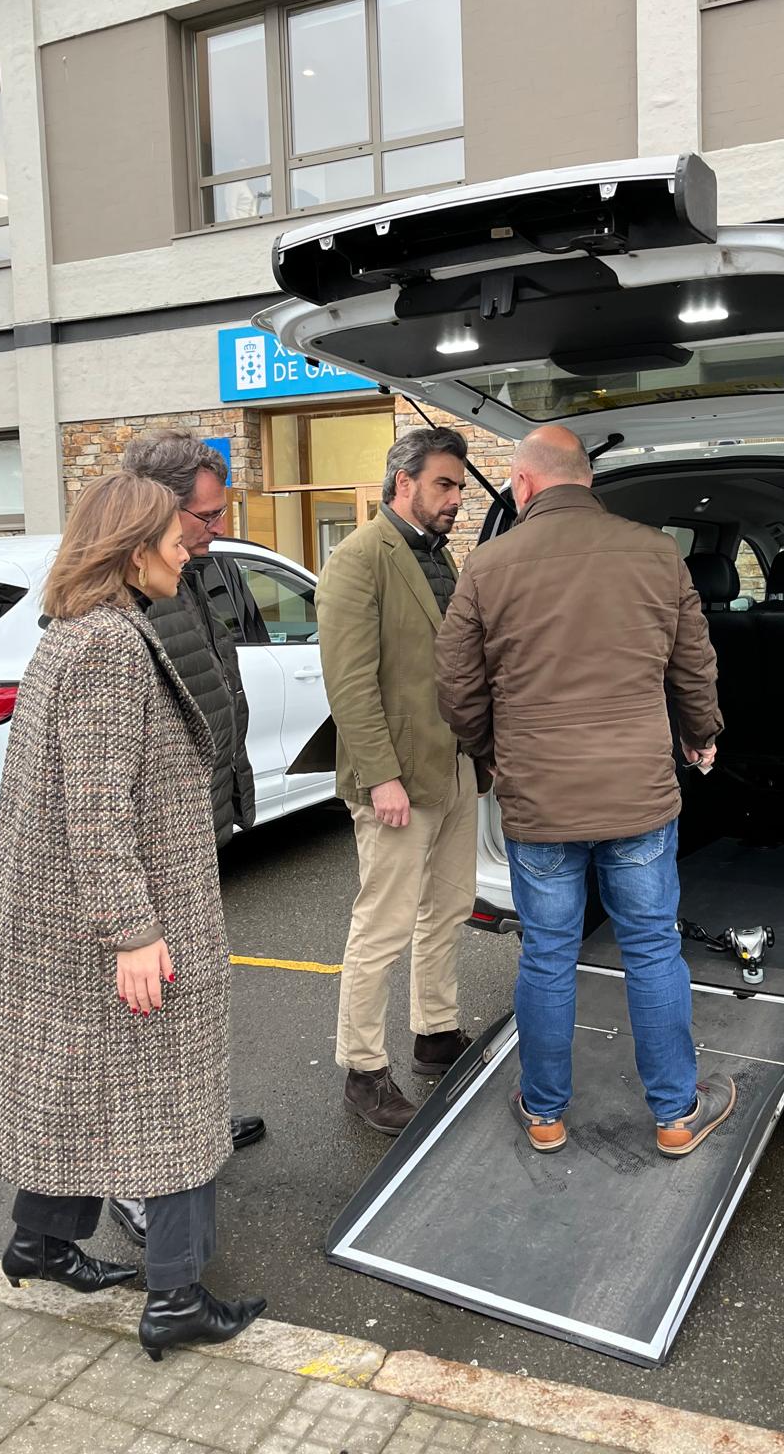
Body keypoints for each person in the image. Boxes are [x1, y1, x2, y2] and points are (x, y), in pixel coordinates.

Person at [0, 473, 265, 1361]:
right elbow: (97, 804)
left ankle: (39, 1243)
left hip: (56, 919)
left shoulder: (77, 634)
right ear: (131, 551)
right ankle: (178, 1297)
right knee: (172, 1102)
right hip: (117, 918)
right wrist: (135, 932)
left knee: (83, 1086)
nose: (187, 547)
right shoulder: (111, 647)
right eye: (173, 536)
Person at [436, 425, 734, 1158]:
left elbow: (455, 685)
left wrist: (498, 756)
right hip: (637, 793)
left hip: (539, 799)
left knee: (546, 954)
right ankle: (674, 1115)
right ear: (587, 482)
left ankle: (543, 1114)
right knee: (652, 949)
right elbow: (694, 666)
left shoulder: (489, 564)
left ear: (525, 485)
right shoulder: (656, 554)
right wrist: (701, 734)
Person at [109, 430, 264, 1249]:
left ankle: (191, 1127)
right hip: (154, 839)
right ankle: (133, 1178)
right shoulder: (126, 598)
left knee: (192, 996)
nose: (215, 528)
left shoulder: (194, 568)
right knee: (146, 1011)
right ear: (159, 509)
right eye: (203, 516)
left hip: (200, 815)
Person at [316, 427, 480, 1134]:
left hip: (453, 768)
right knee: (381, 925)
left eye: (459, 488)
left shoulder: (442, 560)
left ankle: (436, 1032)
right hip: (397, 781)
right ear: (402, 482)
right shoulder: (358, 559)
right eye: (445, 484)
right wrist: (381, 776)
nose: (456, 499)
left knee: (447, 907)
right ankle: (362, 1068)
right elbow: (349, 685)